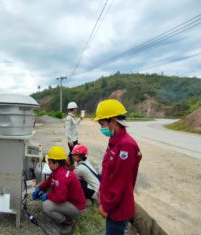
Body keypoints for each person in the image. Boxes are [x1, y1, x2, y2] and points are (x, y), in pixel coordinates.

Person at [94, 99, 142, 235]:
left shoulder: (126, 145)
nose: (101, 128)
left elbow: (120, 182)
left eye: (102, 123)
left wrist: (107, 206)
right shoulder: (115, 141)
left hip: (117, 208)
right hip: (112, 202)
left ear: (113, 121)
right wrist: (101, 190)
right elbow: (109, 171)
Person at [32, 146, 86, 235]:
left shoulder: (62, 176)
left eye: (49, 163)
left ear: (56, 163)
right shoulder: (58, 170)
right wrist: (39, 188)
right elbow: (49, 181)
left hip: (76, 207)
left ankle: (67, 222)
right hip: (69, 200)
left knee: (46, 205)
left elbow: (61, 198)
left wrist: (48, 196)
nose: (48, 165)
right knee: (45, 188)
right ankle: (63, 214)